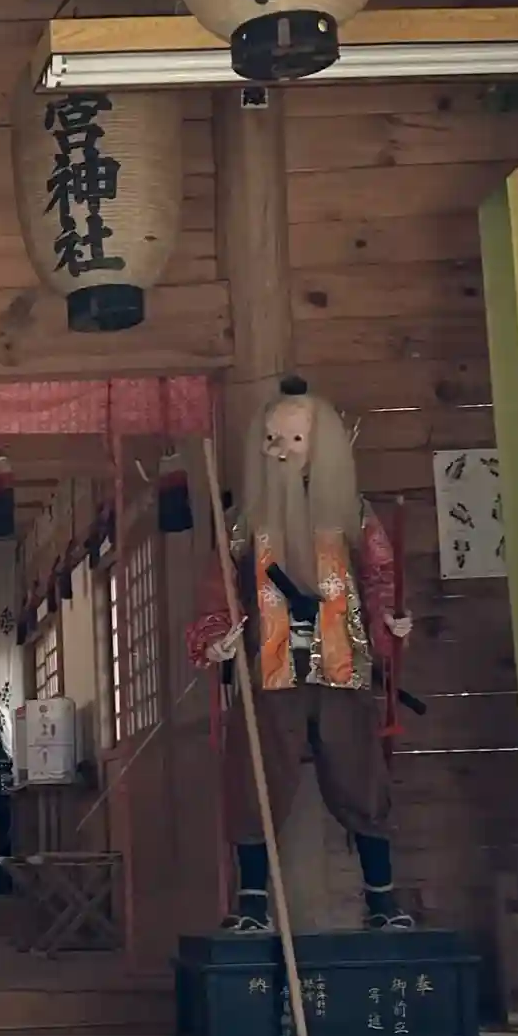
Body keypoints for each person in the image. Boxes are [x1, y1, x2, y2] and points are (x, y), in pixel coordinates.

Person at [188, 378, 414, 932]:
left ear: (323, 444)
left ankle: (382, 900)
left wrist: (390, 621)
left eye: (295, 437)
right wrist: (216, 635)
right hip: (271, 670)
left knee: (361, 776)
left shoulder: (353, 515)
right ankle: (252, 903)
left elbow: (380, 579)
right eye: (272, 438)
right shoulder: (245, 521)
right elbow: (219, 589)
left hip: (343, 665)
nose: (281, 449)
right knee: (255, 780)